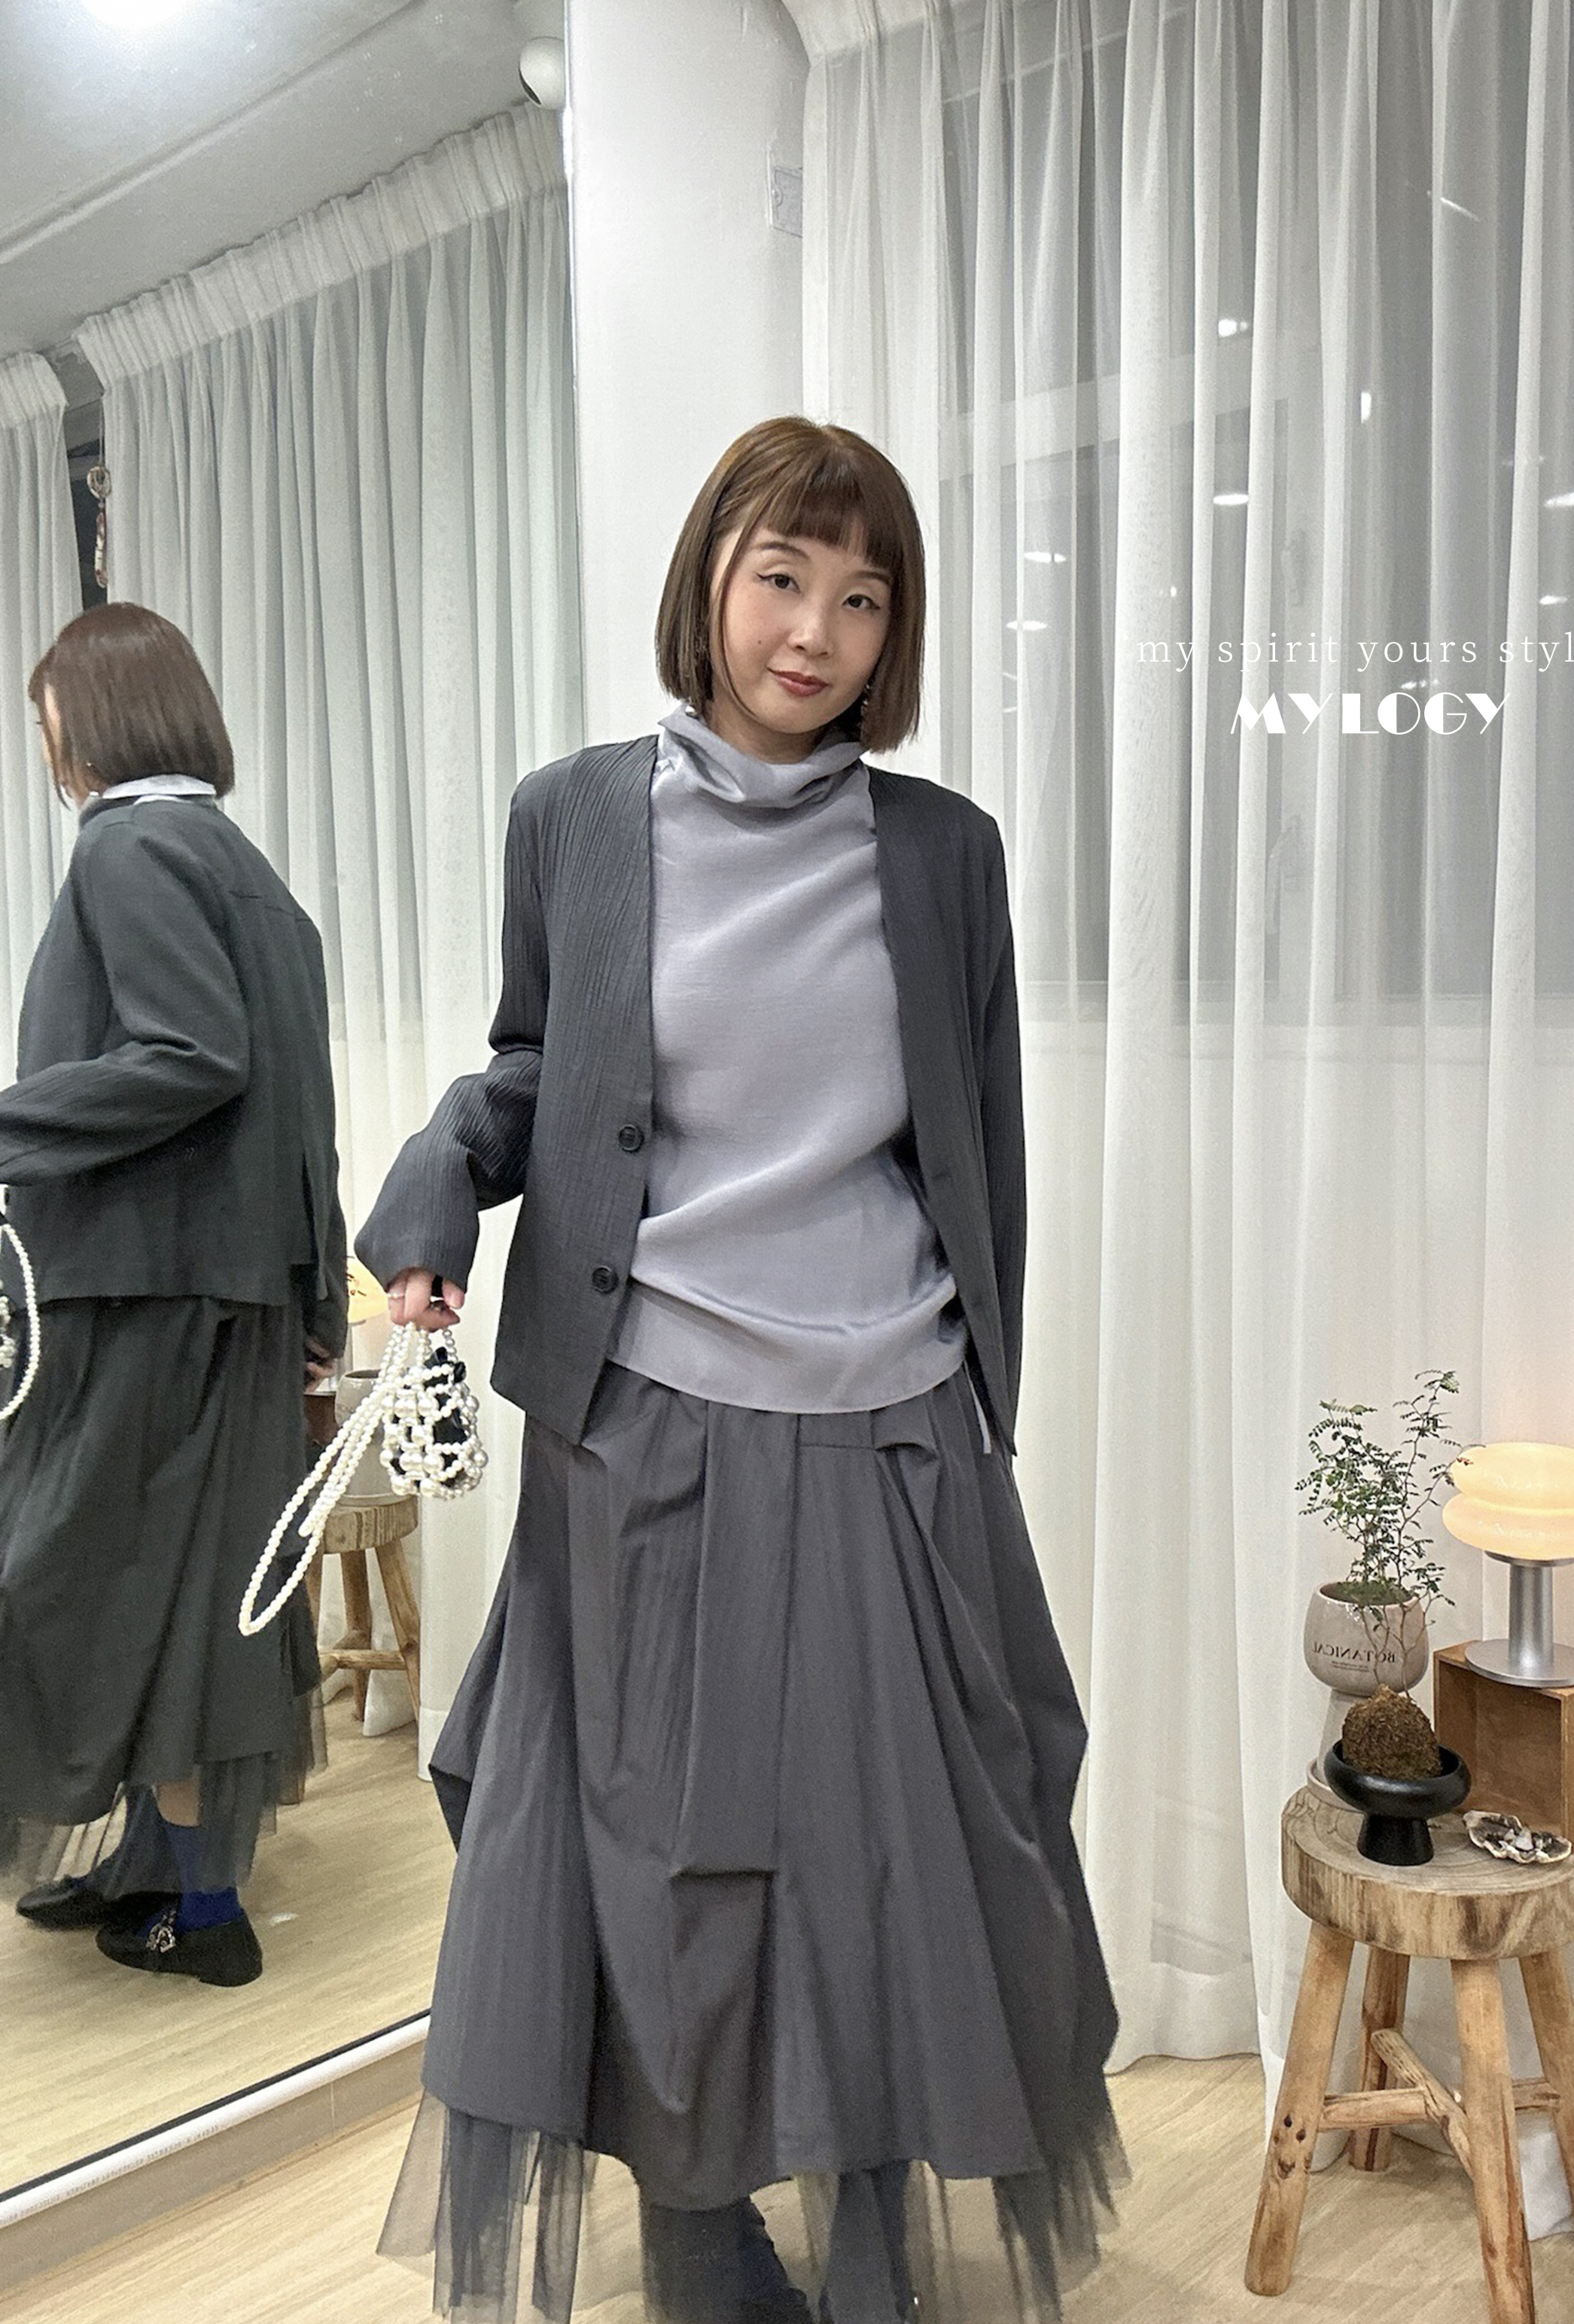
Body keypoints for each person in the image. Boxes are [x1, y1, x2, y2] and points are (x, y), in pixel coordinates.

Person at [358, 417, 1121, 2322]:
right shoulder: (576, 816)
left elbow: (979, 1143)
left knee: (913, 1848)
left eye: (862, 598)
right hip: (651, 1415)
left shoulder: (944, 854)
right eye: (783, 577)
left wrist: (984, 1404)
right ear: (710, 576)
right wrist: (437, 1183)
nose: (815, 633)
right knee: (666, 1854)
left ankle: (873, 2211)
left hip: (895, 1417)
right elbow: (538, 1071)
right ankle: (698, 2212)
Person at [0, 602, 346, 1988]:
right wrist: (316, 1313)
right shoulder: (251, 874)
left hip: (147, 1297)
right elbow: (304, 1121)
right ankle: (165, 1876)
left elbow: (190, 1054)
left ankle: (202, 1913)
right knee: (193, 1604)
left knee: (78, 1587)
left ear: (91, 718)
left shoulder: (129, 847)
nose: (45, 748)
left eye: (46, 720)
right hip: (233, 1303)